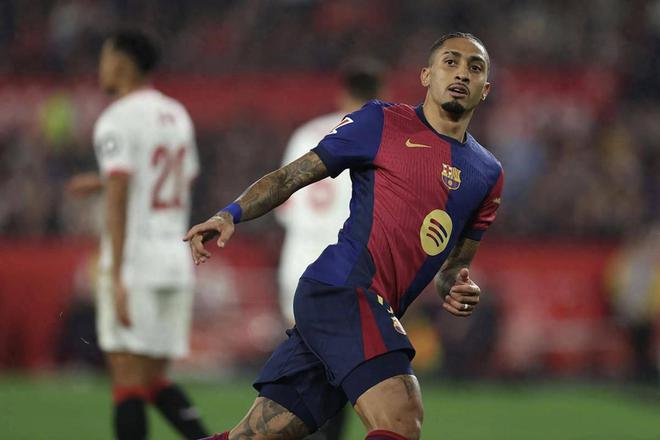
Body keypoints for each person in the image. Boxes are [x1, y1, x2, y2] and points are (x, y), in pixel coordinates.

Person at [185, 32, 503, 440]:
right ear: (426, 75)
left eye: (474, 68)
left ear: (485, 88)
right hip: (343, 289)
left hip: (359, 305)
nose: (461, 73)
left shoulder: (487, 174)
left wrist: (456, 286)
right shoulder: (381, 122)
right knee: (401, 417)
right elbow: (291, 176)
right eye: (450, 62)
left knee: (255, 435)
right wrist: (231, 213)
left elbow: (454, 267)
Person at [74, 30, 209, 440]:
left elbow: (118, 200)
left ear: (121, 63)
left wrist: (117, 273)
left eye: (104, 58)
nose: (100, 67)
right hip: (174, 259)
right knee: (151, 380)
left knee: (127, 382)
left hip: (136, 261)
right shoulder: (176, 114)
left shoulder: (116, 119)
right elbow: (181, 178)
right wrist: (104, 182)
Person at [275, 61, 384, 440]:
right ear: (379, 95)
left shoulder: (306, 133)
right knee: (340, 363)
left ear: (343, 93)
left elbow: (285, 205)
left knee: (304, 360)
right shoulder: (377, 137)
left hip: (297, 260)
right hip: (343, 263)